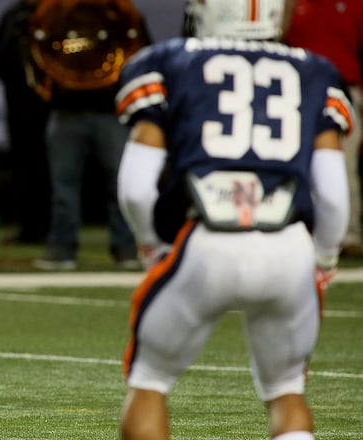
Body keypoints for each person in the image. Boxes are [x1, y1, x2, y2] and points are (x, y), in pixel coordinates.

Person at [115, 0, 351, 439]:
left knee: (150, 380)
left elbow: (135, 185)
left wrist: (152, 244)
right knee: (286, 390)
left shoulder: (169, 62)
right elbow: (334, 195)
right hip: (289, 247)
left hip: (206, 239)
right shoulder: (316, 71)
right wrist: (323, 259)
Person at [30, 0, 150, 271]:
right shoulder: (54, 10)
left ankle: (126, 248)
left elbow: (139, 52)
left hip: (110, 111)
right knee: (63, 186)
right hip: (66, 110)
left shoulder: (120, 10)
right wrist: (43, 85)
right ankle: (62, 248)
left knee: (120, 184)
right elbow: (35, 47)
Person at [282, 0, 363, 258]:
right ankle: (289, 227)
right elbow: (277, 42)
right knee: (290, 161)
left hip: (344, 90)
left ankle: (346, 234)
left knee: (341, 164)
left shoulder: (354, 4)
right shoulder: (291, 4)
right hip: (293, 92)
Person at [0, 0, 52, 245]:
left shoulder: (58, 13)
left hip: (51, 107)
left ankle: (51, 229)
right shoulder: (13, 16)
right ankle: (28, 228)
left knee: (50, 169)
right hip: (19, 106)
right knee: (24, 166)